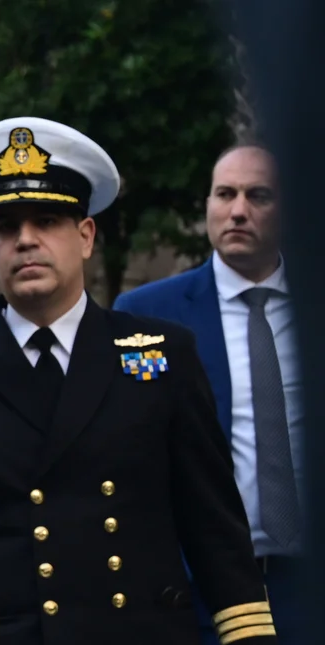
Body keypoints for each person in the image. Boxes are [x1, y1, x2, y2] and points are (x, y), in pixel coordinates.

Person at [0, 117, 277, 645]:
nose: (26, 240)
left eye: (46, 221)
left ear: (85, 237)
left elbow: (213, 526)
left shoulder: (161, 356)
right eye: (8, 228)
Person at [114, 144, 305, 644]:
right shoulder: (146, 317)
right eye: (225, 194)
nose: (238, 210)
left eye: (258, 196)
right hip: (197, 590)